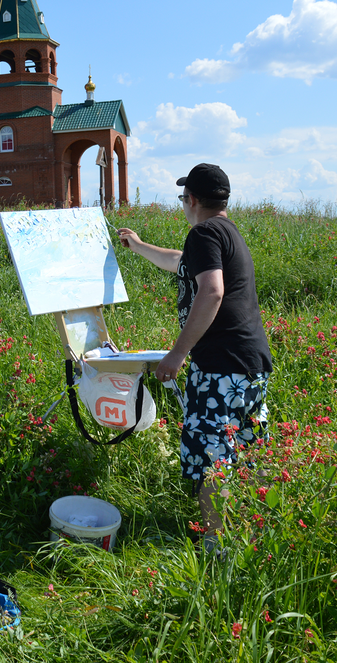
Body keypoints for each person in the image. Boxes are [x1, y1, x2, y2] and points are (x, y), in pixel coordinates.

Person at [117, 163, 272, 550]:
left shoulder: (203, 232)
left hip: (221, 366)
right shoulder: (226, 231)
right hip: (250, 364)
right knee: (244, 454)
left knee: (212, 459)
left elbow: (212, 290)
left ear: (193, 200)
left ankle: (217, 551)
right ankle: (251, 537)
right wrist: (137, 245)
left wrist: (178, 353)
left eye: (184, 198)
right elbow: (179, 262)